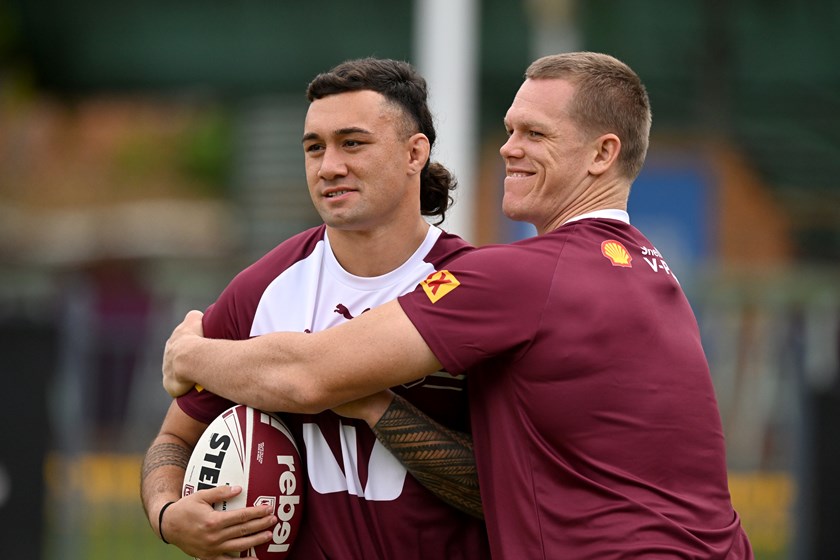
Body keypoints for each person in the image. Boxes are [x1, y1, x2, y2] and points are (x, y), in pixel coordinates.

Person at [163, 52, 754, 559]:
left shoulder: (518, 275)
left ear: (602, 155)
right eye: (510, 129)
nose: (508, 149)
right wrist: (168, 514)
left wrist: (190, 354)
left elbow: (309, 374)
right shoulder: (649, 269)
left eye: (535, 135)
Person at [141, 57, 491, 560]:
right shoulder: (261, 289)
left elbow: (504, 491)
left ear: (415, 153)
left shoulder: (474, 289)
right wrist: (168, 514)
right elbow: (174, 436)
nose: (329, 166)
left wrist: (368, 400)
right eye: (314, 148)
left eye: (352, 143)